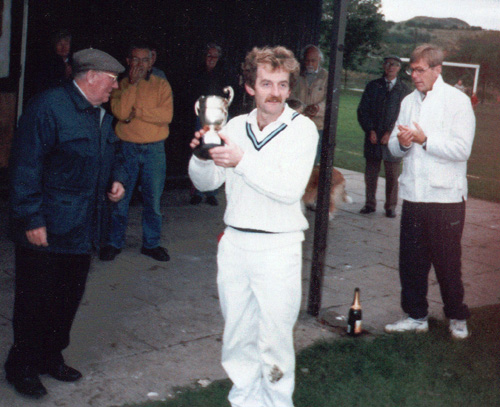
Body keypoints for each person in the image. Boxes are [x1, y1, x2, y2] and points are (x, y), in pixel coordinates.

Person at [188, 46, 318, 407]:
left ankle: (277, 403)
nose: (274, 92)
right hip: (235, 243)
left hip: (278, 246)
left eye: (281, 84)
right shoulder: (233, 126)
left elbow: (289, 189)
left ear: (290, 87)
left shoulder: (302, 129)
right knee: (237, 337)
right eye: (265, 83)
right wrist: (201, 156)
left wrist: (242, 160)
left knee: (274, 339)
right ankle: (243, 400)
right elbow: (206, 183)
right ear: (249, 88)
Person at [5, 48, 126, 398]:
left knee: (67, 297)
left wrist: (115, 179)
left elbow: (112, 152)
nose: (115, 86)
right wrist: (31, 219)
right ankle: (22, 365)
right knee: (34, 300)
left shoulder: (99, 114)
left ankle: (50, 356)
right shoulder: (48, 107)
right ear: (90, 76)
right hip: (46, 226)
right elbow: (25, 166)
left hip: (82, 226)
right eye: (112, 79)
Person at [385, 44, 475, 340]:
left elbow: (462, 150)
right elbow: (395, 148)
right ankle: (415, 316)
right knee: (411, 262)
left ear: (438, 69)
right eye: (411, 69)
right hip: (413, 195)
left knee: (447, 262)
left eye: (420, 69)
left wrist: (425, 140)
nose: (414, 75)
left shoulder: (458, 101)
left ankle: (457, 316)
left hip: (445, 198)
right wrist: (405, 143)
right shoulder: (408, 100)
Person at [99, 41, 173, 262]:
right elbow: (121, 112)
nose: (140, 64)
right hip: (126, 149)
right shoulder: (121, 85)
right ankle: (114, 242)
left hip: (154, 151)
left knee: (153, 202)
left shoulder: (162, 85)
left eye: (145, 59)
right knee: (120, 200)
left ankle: (151, 244)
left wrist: (136, 111)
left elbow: (166, 116)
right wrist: (132, 85)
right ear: (128, 62)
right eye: (136, 59)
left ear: (151, 62)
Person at [357, 55, 410, 218]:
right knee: (371, 174)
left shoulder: (405, 89)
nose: (391, 67)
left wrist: (390, 132)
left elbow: (404, 115)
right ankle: (370, 204)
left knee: (392, 175)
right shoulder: (373, 86)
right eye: (388, 64)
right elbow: (362, 110)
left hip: (393, 138)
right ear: (383, 66)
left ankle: (390, 206)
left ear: (399, 68)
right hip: (373, 138)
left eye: (395, 65)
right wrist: (370, 130)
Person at [190, 43, 235, 206]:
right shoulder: (198, 71)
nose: (211, 59)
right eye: (209, 56)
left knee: (217, 150)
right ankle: (197, 191)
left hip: (219, 118)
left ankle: (212, 192)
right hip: (201, 116)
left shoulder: (225, 72)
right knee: (200, 151)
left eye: (214, 56)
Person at [288, 44, 328, 164]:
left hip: (317, 126)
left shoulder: (327, 77)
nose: (309, 63)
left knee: (313, 163)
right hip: (297, 124)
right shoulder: (296, 76)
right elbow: (290, 95)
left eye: (313, 60)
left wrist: (317, 108)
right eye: (307, 60)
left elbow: (330, 100)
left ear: (320, 60)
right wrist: (302, 109)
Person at [36, 29, 73, 93]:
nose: (63, 47)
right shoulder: (48, 64)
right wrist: (64, 75)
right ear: (54, 46)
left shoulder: (75, 61)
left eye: (66, 44)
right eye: (60, 44)